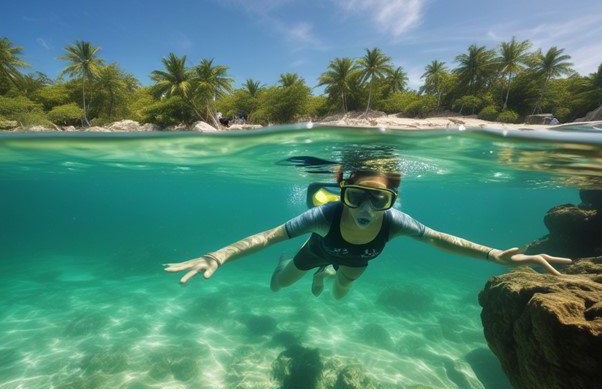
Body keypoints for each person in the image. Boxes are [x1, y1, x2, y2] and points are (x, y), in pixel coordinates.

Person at [164, 169, 572, 299]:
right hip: (319, 247)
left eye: (378, 200)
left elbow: (443, 239)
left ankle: (326, 275)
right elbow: (268, 235)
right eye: (357, 197)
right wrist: (218, 255)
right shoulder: (326, 214)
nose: (365, 210)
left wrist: (496, 256)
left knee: (340, 294)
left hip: (356, 262)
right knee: (278, 285)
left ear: (390, 199)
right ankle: (307, 268)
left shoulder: (397, 223)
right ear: (344, 194)